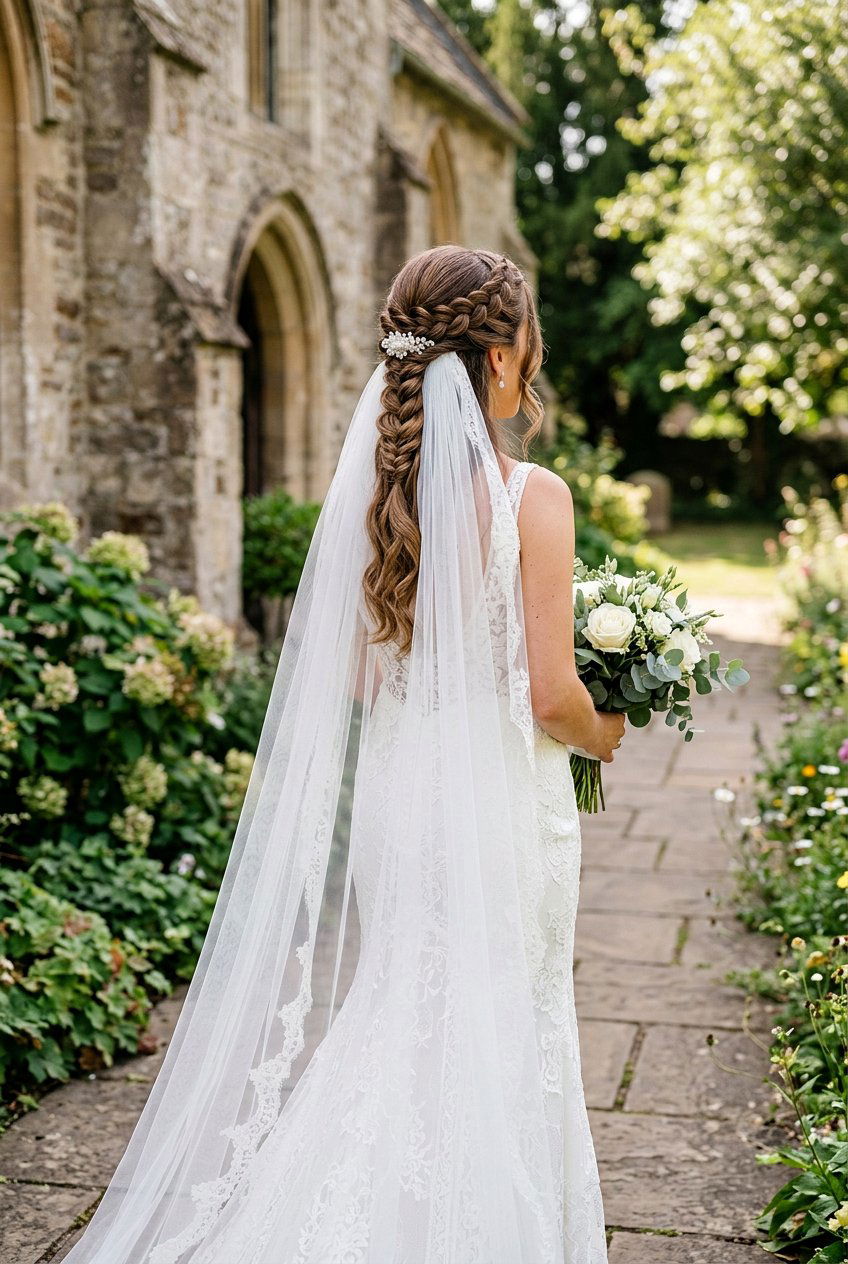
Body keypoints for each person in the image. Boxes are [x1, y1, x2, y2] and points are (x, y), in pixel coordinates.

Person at [61, 245, 623, 1264]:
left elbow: (362, 679)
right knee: (504, 1021)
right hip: (496, 808)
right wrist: (608, 728)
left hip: (403, 807)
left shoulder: (379, 504)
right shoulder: (532, 499)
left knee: (403, 1003)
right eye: (526, 342)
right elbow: (550, 696)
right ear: (499, 361)